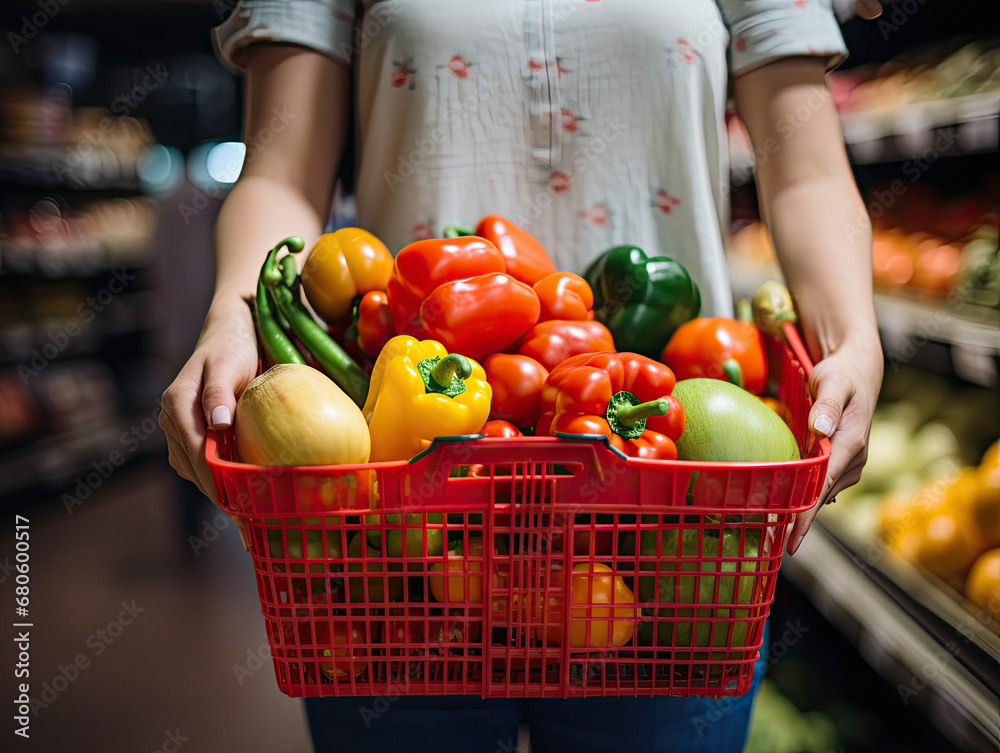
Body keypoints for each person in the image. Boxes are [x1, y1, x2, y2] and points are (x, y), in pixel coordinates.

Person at [159, 1, 884, 750]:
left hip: (671, 492)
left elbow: (806, 169)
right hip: (404, 506)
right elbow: (281, 169)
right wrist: (234, 309)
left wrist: (855, 337)